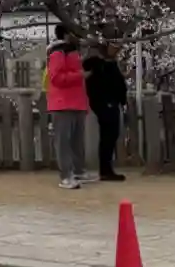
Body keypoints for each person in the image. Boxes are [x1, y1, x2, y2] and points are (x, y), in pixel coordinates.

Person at [45, 24, 92, 190]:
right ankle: (66, 175)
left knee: (77, 140)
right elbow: (56, 77)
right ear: (66, 34)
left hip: (77, 101)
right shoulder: (57, 52)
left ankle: (78, 170)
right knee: (64, 141)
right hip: (62, 103)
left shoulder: (73, 51)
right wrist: (80, 75)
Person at [84, 40, 129, 182]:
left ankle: (107, 169)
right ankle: (105, 170)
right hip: (105, 103)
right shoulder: (98, 64)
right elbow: (97, 84)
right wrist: (106, 101)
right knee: (108, 137)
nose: (117, 50)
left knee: (111, 136)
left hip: (112, 103)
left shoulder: (111, 64)